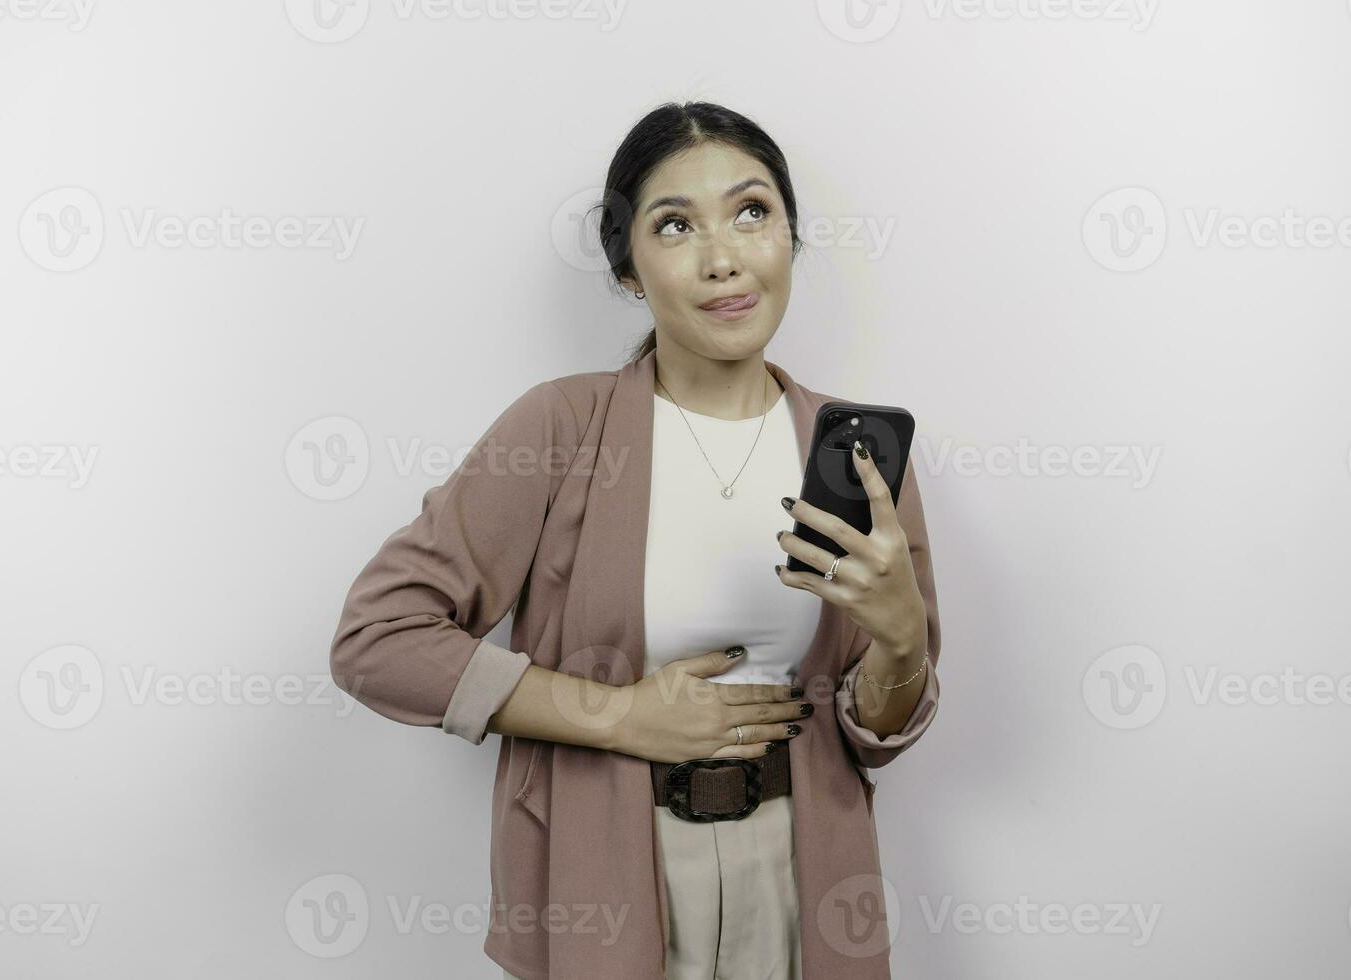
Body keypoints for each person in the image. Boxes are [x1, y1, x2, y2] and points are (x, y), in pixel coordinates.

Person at [330, 101, 943, 980]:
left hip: (803, 874)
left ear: (790, 239)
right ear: (628, 271)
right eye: (674, 225)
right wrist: (620, 716)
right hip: (609, 865)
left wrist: (902, 636)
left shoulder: (853, 458)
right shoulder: (559, 427)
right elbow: (378, 640)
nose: (723, 256)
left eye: (752, 212)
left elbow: (879, 730)